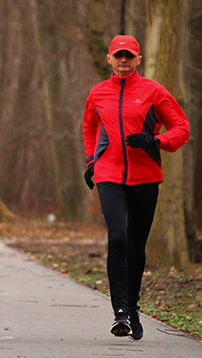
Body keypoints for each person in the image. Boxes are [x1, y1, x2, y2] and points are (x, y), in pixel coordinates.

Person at [82, 35, 189, 340]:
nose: (124, 60)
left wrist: (156, 141)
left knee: (136, 245)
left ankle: (132, 307)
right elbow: (89, 125)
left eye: (129, 56)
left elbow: (181, 128)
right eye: (119, 56)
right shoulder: (98, 93)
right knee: (117, 237)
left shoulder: (154, 92)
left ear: (139, 60)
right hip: (109, 174)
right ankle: (119, 313)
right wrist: (92, 160)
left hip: (145, 176)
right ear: (109, 59)